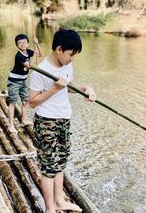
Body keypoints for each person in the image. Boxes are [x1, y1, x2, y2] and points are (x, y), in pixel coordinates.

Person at [29, 29, 96, 213]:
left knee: (60, 161)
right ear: (59, 49)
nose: (72, 59)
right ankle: (50, 208)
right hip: (46, 122)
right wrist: (54, 89)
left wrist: (86, 89)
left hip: (64, 119)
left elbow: (69, 86)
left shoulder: (67, 65)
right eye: (70, 54)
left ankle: (59, 200)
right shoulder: (40, 70)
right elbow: (32, 102)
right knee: (48, 166)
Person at [7, 34, 42, 133]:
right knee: (13, 102)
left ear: (28, 43)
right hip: (14, 81)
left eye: (24, 42)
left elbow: (40, 54)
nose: (22, 44)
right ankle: (11, 125)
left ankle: (24, 120)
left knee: (25, 101)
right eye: (19, 43)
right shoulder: (19, 55)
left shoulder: (27, 52)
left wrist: (37, 44)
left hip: (23, 80)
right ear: (17, 45)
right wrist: (35, 55)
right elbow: (30, 66)